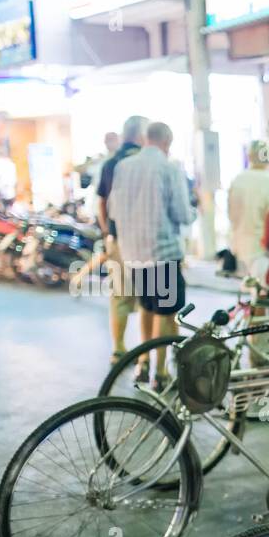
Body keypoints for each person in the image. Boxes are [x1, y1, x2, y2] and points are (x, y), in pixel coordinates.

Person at [106, 121, 196, 389]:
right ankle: (161, 372)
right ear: (168, 142)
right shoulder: (169, 168)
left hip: (134, 253)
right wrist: (194, 212)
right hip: (163, 253)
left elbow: (112, 210)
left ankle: (142, 363)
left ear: (146, 139)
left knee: (146, 307)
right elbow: (181, 213)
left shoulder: (123, 167)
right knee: (167, 314)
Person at [97, 115, 148, 363]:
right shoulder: (146, 163)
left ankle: (118, 349)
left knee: (119, 295)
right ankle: (147, 356)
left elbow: (102, 202)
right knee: (152, 297)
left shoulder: (111, 164)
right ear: (141, 136)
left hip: (118, 240)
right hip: (147, 241)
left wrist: (108, 232)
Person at [227, 139, 269, 277]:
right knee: (259, 294)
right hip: (260, 249)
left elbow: (231, 214)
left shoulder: (238, 179)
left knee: (243, 291)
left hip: (239, 246)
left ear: (249, 156)